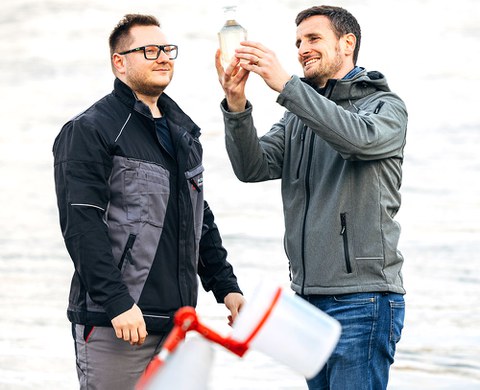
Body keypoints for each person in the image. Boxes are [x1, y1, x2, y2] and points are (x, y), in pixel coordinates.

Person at [215, 5, 407, 390]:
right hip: (306, 302)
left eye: (313, 39)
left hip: (363, 301)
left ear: (347, 43)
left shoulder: (386, 108)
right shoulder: (298, 114)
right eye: (298, 42)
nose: (302, 49)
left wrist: (287, 86)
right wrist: (236, 104)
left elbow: (358, 139)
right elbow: (252, 167)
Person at [53, 13, 245, 390]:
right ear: (119, 62)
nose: (163, 57)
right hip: (118, 324)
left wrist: (226, 286)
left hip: (176, 323)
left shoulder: (183, 133)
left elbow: (197, 218)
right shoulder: (91, 129)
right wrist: (117, 304)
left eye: (167, 49)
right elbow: (82, 225)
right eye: (149, 50)